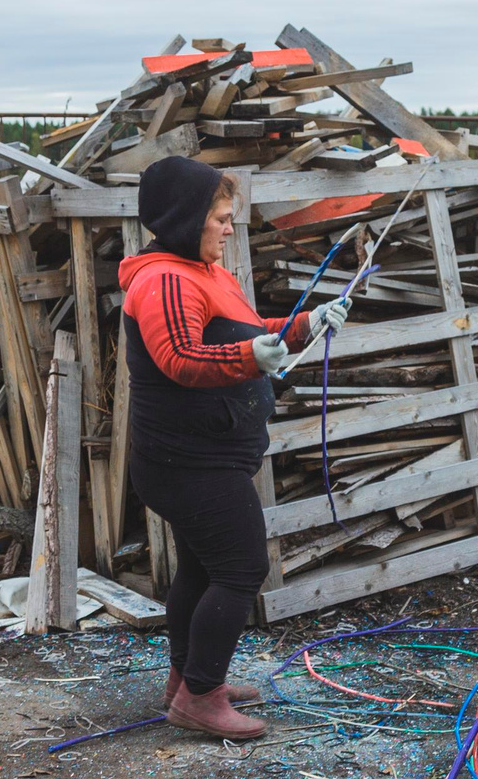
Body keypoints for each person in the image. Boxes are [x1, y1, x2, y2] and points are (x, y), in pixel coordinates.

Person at [118, 156, 347, 739]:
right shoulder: (164, 279)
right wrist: (251, 358)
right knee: (243, 566)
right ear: (187, 219)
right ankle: (200, 698)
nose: (227, 227)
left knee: (203, 565)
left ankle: (189, 680)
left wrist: (302, 326)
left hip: (202, 453)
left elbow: (246, 333)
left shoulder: (204, 272)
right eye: (219, 218)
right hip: (186, 460)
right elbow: (181, 358)